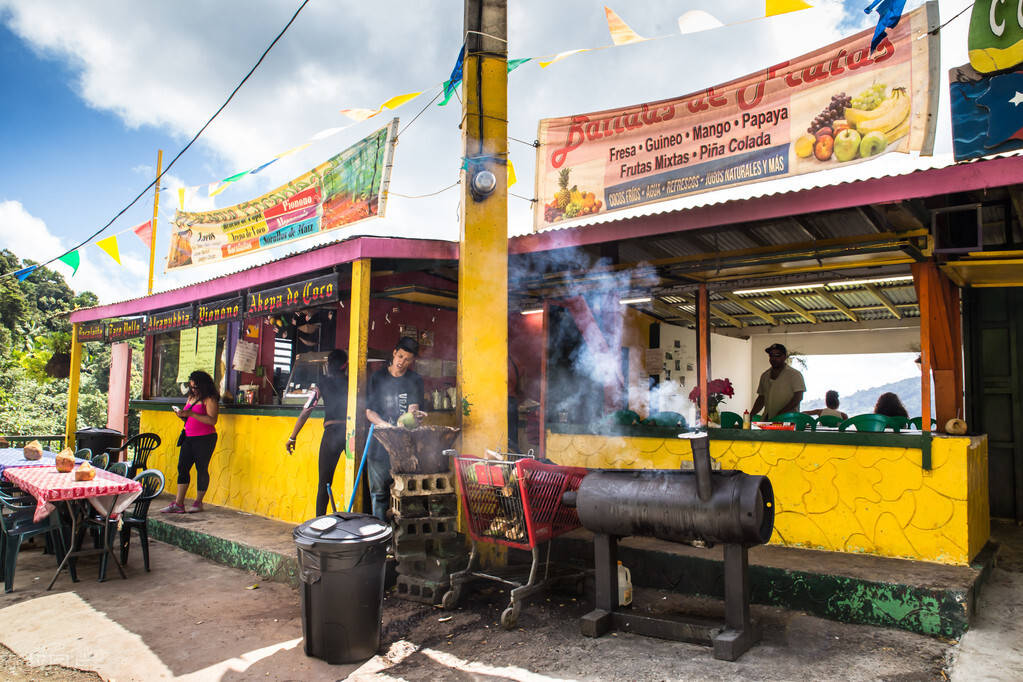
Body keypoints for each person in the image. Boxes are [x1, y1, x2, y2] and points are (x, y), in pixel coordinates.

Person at [365, 337, 425, 521]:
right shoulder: (377, 377)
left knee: (405, 494)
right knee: (379, 495)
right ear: (394, 352)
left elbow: (412, 408)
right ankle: (381, 537)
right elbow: (369, 412)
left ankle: (399, 539)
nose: (402, 362)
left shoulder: (415, 380)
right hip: (379, 446)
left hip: (404, 448)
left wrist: (414, 416)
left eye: (407, 359)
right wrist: (385, 426)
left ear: (412, 360)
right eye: (400, 356)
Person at [286, 349, 348, 516]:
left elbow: (307, 410)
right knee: (360, 479)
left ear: (328, 364)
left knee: (324, 483)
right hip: (351, 434)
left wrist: (293, 436)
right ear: (346, 365)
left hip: (331, 434)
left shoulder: (323, 383)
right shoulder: (352, 382)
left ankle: (319, 521)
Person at [162, 370, 219, 513]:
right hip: (189, 436)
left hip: (205, 438)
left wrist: (192, 413)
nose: (193, 390)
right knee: (182, 467)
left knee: (201, 469)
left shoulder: (210, 399)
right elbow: (190, 417)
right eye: (191, 387)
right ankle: (179, 503)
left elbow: (212, 420)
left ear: (203, 386)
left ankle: (198, 502)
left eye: (196, 387)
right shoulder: (191, 397)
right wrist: (183, 415)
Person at [751, 343, 805, 419]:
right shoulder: (765, 376)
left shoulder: (794, 375)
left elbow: (798, 397)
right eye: (771, 356)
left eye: (777, 355)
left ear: (784, 357)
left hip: (788, 420)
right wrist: (751, 415)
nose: (773, 358)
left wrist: (781, 414)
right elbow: (761, 398)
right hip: (768, 419)